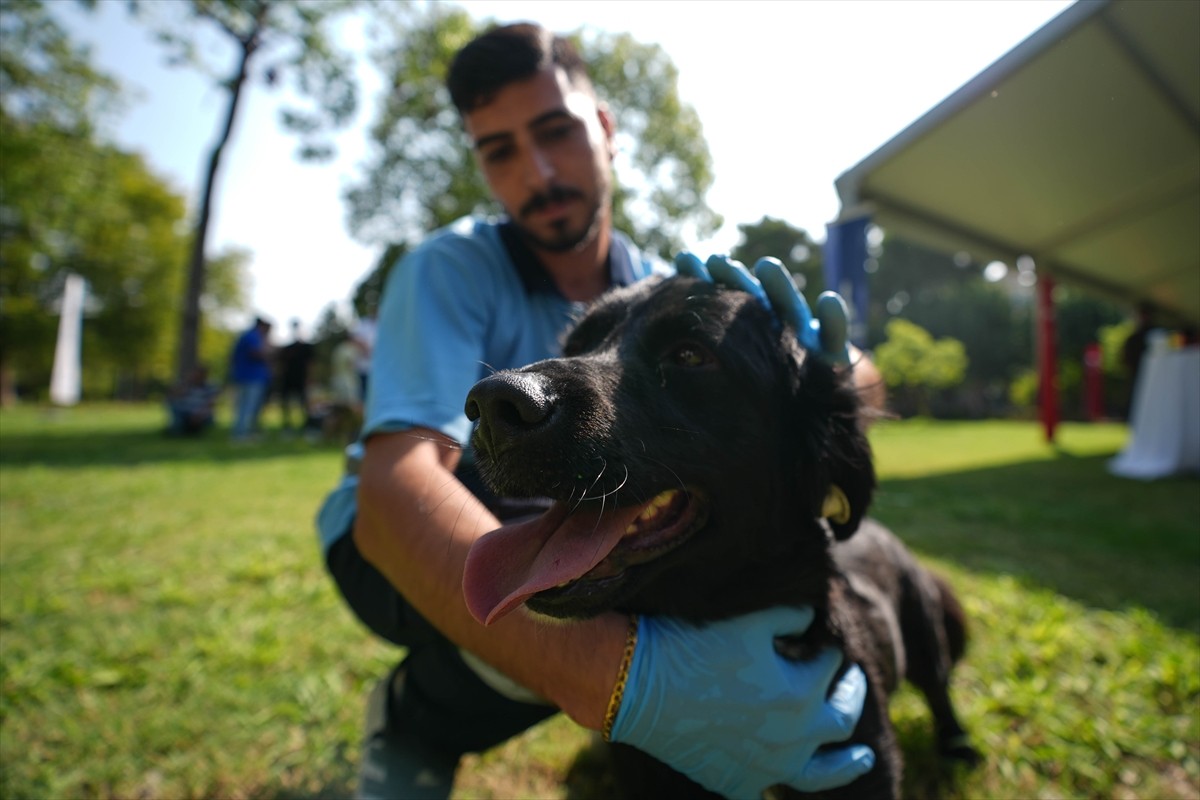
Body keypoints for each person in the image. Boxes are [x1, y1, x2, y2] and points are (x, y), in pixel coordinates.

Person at [317, 23, 877, 800]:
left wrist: (827, 365)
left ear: (606, 129)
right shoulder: (447, 267)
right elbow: (392, 493)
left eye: (556, 132)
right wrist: (624, 680)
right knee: (561, 572)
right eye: (499, 151)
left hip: (551, 498)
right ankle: (419, 719)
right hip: (391, 531)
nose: (537, 172)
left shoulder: (653, 279)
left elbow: (851, 389)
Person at [229, 316, 273, 441]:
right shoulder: (253, 336)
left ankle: (246, 432)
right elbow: (257, 353)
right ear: (262, 326)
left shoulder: (247, 335)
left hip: (246, 376)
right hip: (251, 377)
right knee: (247, 407)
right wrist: (270, 352)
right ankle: (240, 434)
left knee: (246, 407)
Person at [277, 319, 316, 433]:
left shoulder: (306, 347)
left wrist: (310, 377)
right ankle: (287, 425)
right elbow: (281, 364)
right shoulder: (287, 348)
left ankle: (308, 425)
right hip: (288, 379)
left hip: (301, 378)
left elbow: (311, 364)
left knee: (304, 403)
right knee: (286, 402)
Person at [164, 364, 219, 436]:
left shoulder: (209, 387)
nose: (197, 377)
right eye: (195, 374)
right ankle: (177, 430)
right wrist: (186, 385)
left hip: (200, 413)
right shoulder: (185, 384)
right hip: (184, 411)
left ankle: (190, 430)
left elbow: (211, 403)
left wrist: (199, 414)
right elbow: (172, 397)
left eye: (200, 375)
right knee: (176, 409)